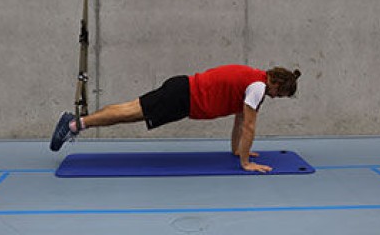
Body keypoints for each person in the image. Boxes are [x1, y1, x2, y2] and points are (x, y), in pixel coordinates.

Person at [50, 64, 301, 173]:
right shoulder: (257, 88)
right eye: (280, 94)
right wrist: (246, 163)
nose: (277, 97)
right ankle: (73, 124)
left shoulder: (254, 80)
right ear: (276, 84)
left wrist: (237, 151)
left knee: (131, 112)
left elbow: (239, 120)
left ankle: (76, 123)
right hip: (183, 97)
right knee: (130, 112)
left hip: (183, 92)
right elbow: (249, 126)